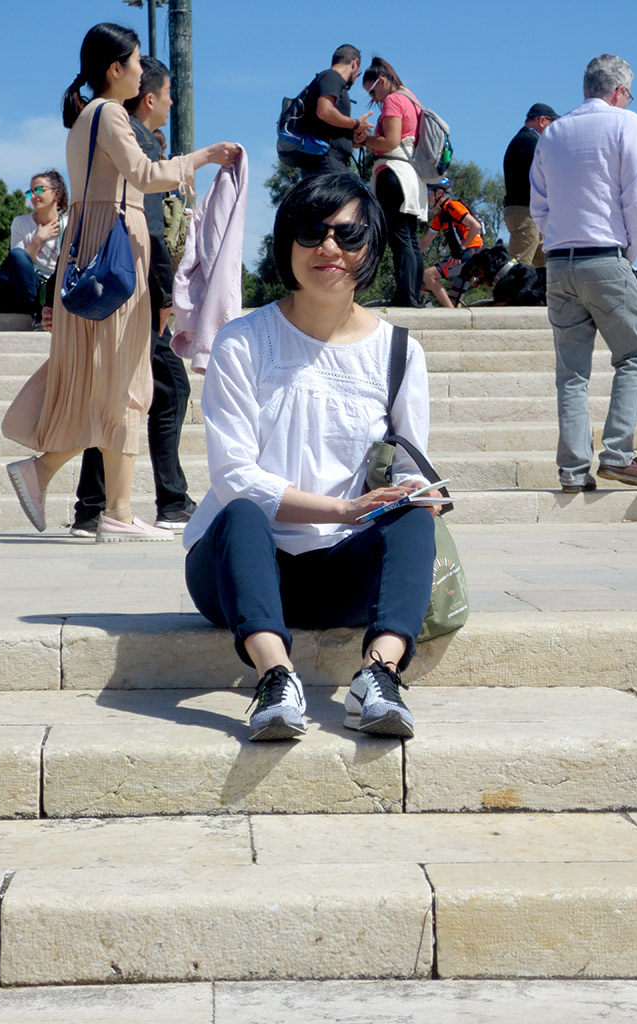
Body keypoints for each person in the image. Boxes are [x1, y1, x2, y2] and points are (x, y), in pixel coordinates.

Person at [183, 173, 439, 742]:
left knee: (413, 514)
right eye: (311, 231)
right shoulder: (242, 341)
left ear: (371, 246)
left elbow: (408, 464)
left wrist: (420, 494)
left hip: (343, 571)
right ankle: (276, 678)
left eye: (348, 235)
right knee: (243, 509)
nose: (329, 248)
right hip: (240, 564)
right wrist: (340, 510)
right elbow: (234, 477)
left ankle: (380, 675)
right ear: (286, 242)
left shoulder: (399, 351)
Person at [0, 22, 240, 541]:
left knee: (111, 386)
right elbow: (146, 175)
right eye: (134, 63)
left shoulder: (84, 117)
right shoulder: (110, 113)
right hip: (116, 258)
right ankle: (115, 511)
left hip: (89, 254)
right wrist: (204, 156)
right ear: (116, 69)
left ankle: (79, 491)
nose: (140, 72)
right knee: (129, 384)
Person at [70, 55, 196, 537]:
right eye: (166, 95)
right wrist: (164, 294)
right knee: (155, 390)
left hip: (117, 280)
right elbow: (150, 230)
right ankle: (165, 501)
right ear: (148, 97)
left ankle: (94, 505)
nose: (168, 102)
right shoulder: (134, 138)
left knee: (116, 390)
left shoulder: (104, 126)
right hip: (133, 284)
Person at [530, 54, 637, 493]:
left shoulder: (552, 132)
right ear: (619, 92)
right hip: (605, 255)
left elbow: (538, 206)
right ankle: (618, 454)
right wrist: (628, 253)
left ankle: (572, 470)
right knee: (633, 355)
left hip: (560, 262)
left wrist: (558, 241)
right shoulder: (626, 123)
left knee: (572, 373)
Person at [361, 58, 427, 307]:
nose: (374, 98)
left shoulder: (393, 100)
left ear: (382, 81)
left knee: (399, 237)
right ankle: (413, 294)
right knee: (410, 238)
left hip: (393, 172)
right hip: (411, 175)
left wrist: (364, 140)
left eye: (372, 91)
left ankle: (405, 296)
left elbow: (390, 141)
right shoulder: (412, 98)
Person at [0, 170, 68, 327]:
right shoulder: (20, 223)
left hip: (57, 284)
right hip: (31, 286)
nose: (34, 196)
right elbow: (18, 265)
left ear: (56, 194)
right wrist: (38, 240)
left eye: (39, 190)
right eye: (30, 192)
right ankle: (37, 313)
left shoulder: (69, 223)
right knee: (17, 255)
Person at [296, 44, 372, 177]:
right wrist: (356, 124)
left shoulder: (327, 79)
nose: (354, 79)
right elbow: (324, 111)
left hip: (324, 162)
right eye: (358, 74)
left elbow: (326, 125)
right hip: (327, 163)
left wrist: (351, 136)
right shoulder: (332, 77)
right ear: (355, 63)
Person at [503, 104, 558, 268]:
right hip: (524, 213)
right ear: (542, 120)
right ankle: (509, 293)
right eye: (552, 123)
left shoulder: (524, 140)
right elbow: (548, 173)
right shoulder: (530, 142)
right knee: (519, 265)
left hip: (527, 213)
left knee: (543, 265)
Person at [419, 178, 483, 307]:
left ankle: (450, 313)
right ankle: (455, 315)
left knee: (428, 275)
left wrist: (462, 248)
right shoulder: (440, 216)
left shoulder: (452, 206)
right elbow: (426, 241)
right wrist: (410, 256)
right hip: (467, 255)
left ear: (439, 193)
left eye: (429, 192)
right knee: (454, 301)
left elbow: (475, 226)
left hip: (470, 252)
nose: (428, 197)